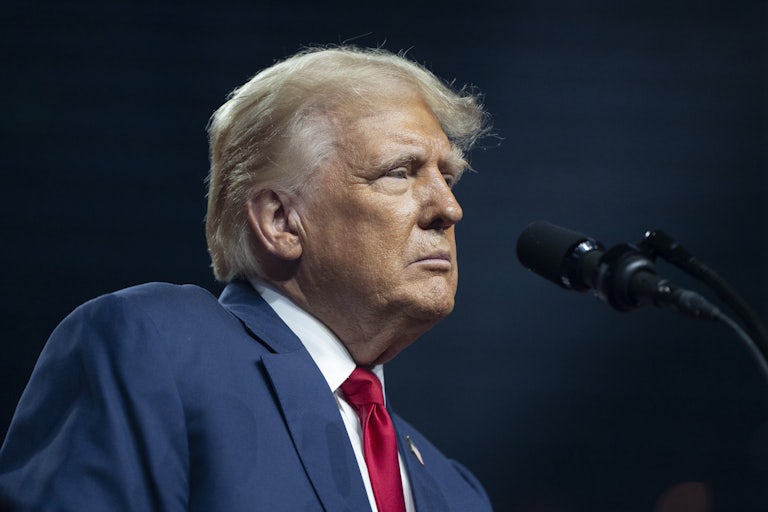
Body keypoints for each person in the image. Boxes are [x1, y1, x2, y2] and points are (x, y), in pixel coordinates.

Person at [0, 45, 492, 511]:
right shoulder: (156, 349)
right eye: (399, 172)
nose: (449, 208)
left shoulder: (455, 491)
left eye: (447, 177)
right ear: (280, 221)